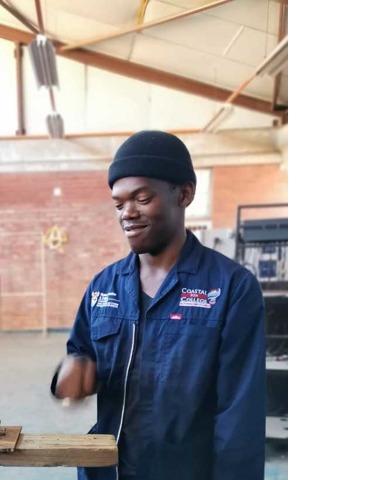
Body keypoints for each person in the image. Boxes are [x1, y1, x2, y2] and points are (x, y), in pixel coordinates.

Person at [51, 130, 266, 480]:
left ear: (184, 194)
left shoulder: (231, 288)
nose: (127, 213)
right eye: (119, 204)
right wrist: (70, 377)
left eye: (142, 198)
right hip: (109, 471)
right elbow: (80, 356)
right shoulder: (104, 286)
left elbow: (239, 416)